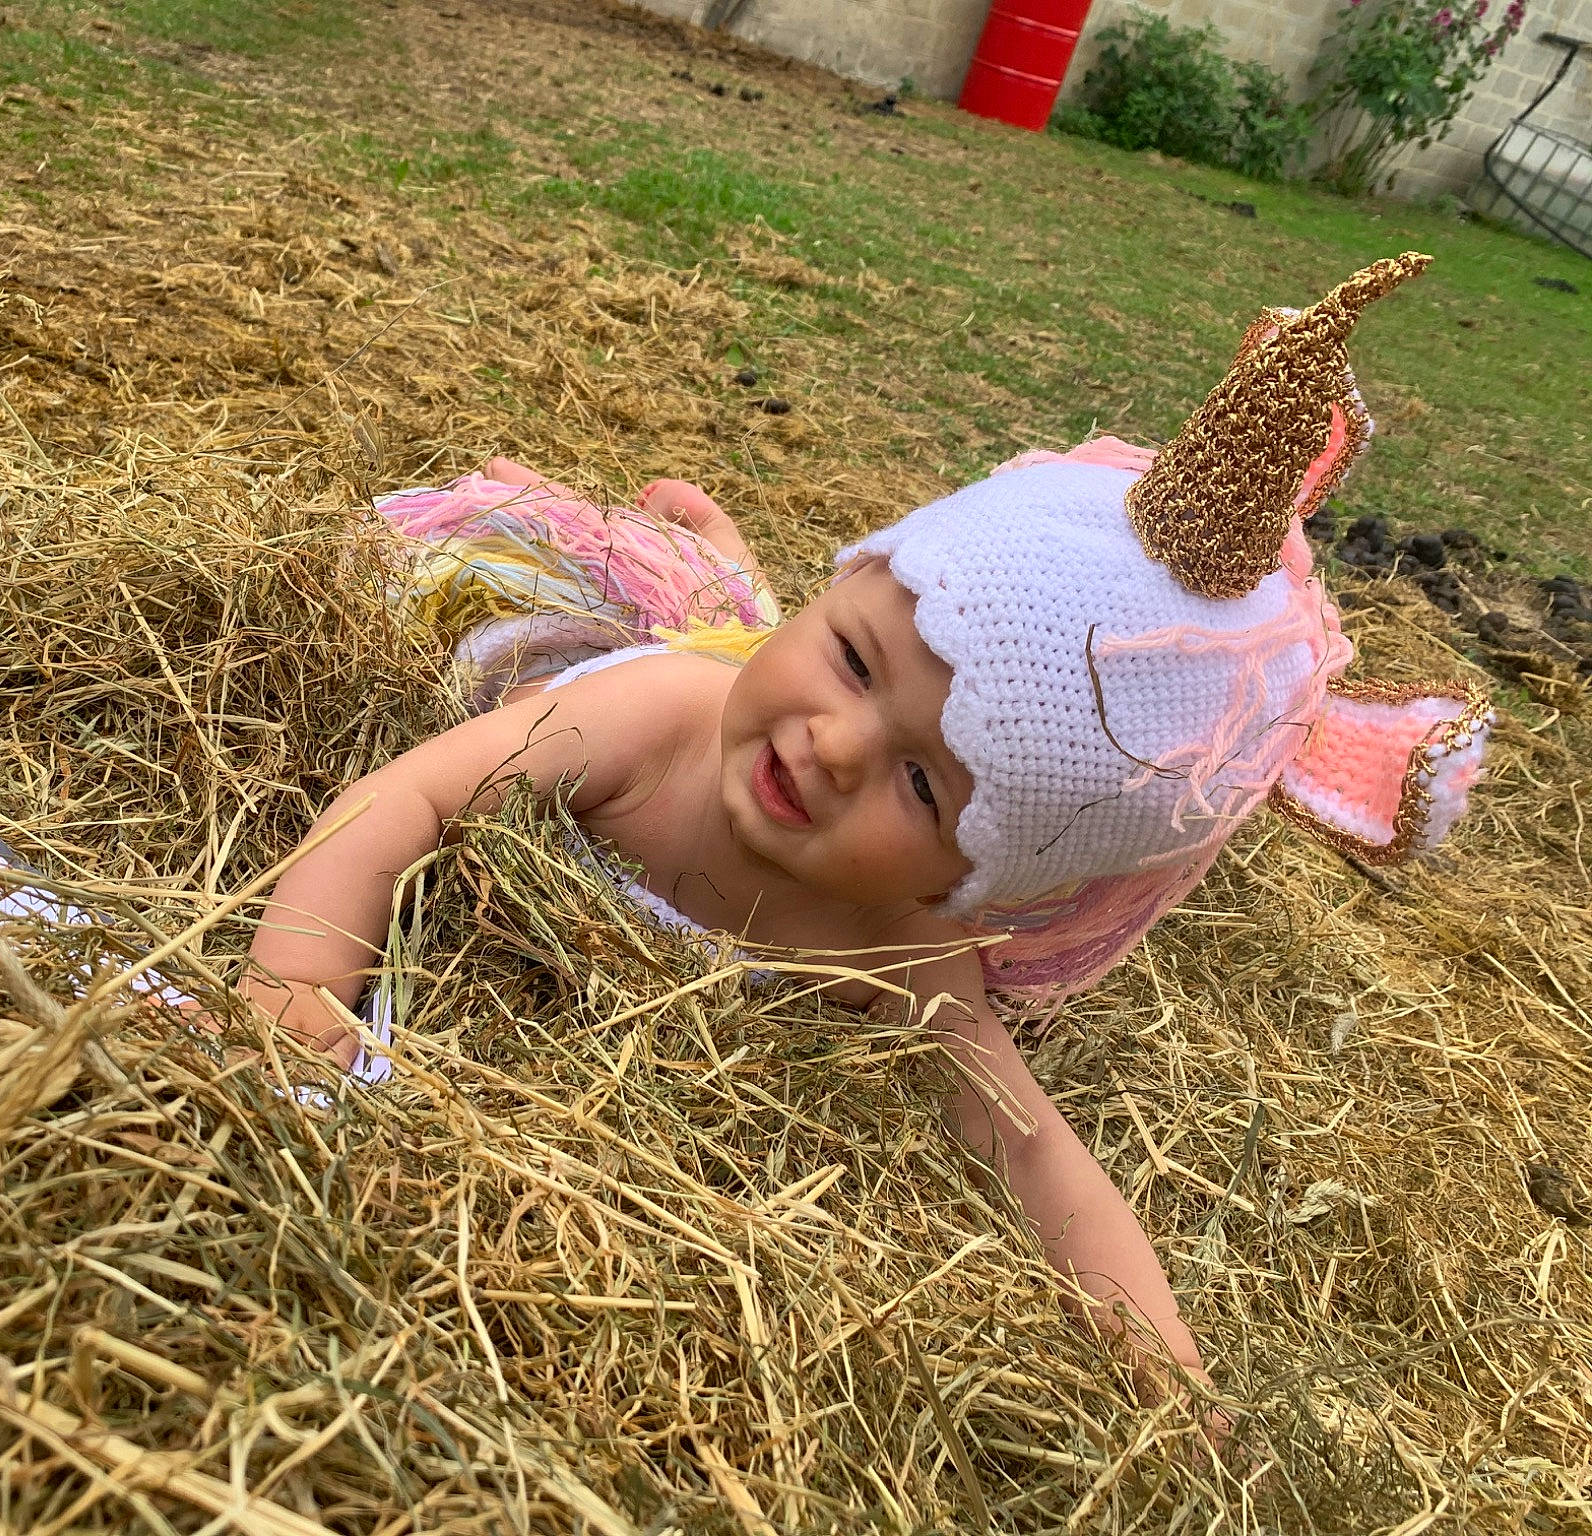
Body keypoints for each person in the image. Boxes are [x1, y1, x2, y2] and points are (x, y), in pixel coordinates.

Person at [231, 254, 1492, 1416]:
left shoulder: (893, 942)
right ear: (859, 581)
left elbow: (1036, 1157)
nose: (833, 746)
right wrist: (294, 987)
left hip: (771, 676)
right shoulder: (647, 723)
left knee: (766, 645)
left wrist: (1170, 1385)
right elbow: (405, 799)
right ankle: (713, 565)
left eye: (925, 789)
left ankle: (748, 590)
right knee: (692, 623)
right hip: (627, 658)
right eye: (852, 652)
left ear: (983, 880)